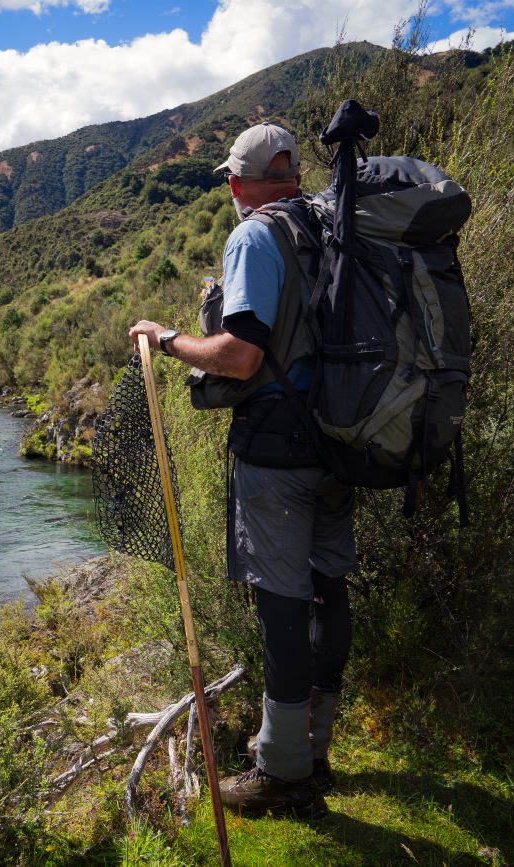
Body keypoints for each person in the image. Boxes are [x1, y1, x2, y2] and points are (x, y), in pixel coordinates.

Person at [127, 123, 354, 819]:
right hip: (345, 438)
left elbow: (241, 354)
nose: (229, 189)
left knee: (283, 605)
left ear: (242, 181)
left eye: (231, 178)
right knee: (329, 591)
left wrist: (166, 341)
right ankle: (315, 750)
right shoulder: (329, 221)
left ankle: (281, 773)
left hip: (278, 451)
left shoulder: (256, 235)